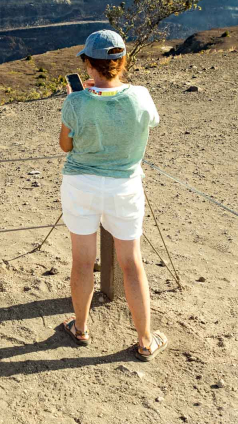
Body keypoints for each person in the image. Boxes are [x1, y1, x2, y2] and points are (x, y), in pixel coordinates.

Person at [58, 29, 169, 361]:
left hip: (81, 185)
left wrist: (81, 98)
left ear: (89, 65)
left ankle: (80, 328)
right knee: (131, 263)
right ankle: (146, 340)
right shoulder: (142, 96)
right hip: (125, 186)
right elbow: (148, 123)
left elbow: (66, 146)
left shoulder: (75, 101)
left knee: (81, 260)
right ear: (121, 62)